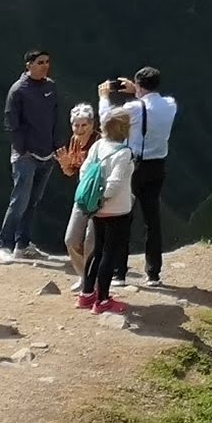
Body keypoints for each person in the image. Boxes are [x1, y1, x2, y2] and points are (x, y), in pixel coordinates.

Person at [0, 51, 62, 260]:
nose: (45, 66)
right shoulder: (18, 90)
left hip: (47, 154)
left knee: (33, 201)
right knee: (19, 201)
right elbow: (11, 123)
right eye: (40, 62)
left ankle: (22, 245)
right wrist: (21, 148)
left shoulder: (50, 87)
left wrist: (56, 146)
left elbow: (55, 118)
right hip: (26, 155)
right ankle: (4, 245)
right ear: (28, 65)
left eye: (47, 62)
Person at [78, 105, 140, 315]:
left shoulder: (97, 146)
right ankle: (103, 300)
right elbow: (115, 182)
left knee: (97, 250)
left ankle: (86, 294)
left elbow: (85, 171)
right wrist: (105, 199)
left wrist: (95, 201)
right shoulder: (123, 153)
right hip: (117, 210)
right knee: (109, 253)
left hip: (96, 210)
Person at [129, 66, 178, 287]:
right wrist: (138, 90)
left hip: (135, 165)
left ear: (138, 86)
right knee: (152, 220)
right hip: (158, 166)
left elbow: (110, 119)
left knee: (124, 216)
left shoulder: (134, 108)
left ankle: (119, 271)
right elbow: (155, 102)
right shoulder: (170, 105)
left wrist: (106, 96)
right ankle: (153, 272)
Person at [57, 101, 98, 282]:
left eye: (84, 125)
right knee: (71, 240)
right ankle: (84, 277)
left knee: (90, 241)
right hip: (82, 194)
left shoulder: (99, 142)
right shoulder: (74, 141)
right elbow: (71, 172)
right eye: (76, 125)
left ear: (92, 124)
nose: (80, 129)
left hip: (99, 196)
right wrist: (65, 165)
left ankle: (91, 282)